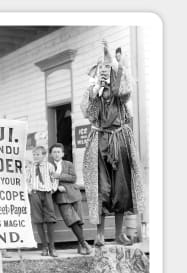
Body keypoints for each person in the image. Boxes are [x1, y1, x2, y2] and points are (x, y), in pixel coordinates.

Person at [80, 40, 145, 246]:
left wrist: (113, 60)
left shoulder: (120, 97)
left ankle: (119, 234)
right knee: (102, 190)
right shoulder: (94, 96)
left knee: (121, 191)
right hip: (99, 144)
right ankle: (99, 235)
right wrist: (94, 91)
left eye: (109, 81)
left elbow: (124, 90)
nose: (107, 87)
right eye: (102, 77)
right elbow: (88, 114)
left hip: (120, 143)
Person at [49, 143, 92, 255]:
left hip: (74, 194)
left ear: (62, 153)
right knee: (72, 220)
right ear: (51, 154)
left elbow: (73, 178)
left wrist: (59, 176)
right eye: (54, 152)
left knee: (80, 221)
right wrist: (57, 188)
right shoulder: (48, 166)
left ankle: (80, 246)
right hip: (61, 197)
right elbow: (47, 182)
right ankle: (84, 243)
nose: (57, 154)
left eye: (59, 152)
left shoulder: (68, 164)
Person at [26, 146, 59, 257]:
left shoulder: (49, 166)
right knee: (38, 220)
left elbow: (55, 179)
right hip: (35, 194)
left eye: (38, 154)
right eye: (34, 155)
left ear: (44, 155)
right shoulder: (30, 167)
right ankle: (44, 247)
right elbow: (27, 180)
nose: (35, 157)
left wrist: (53, 189)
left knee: (50, 219)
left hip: (47, 193)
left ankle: (52, 247)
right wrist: (30, 191)